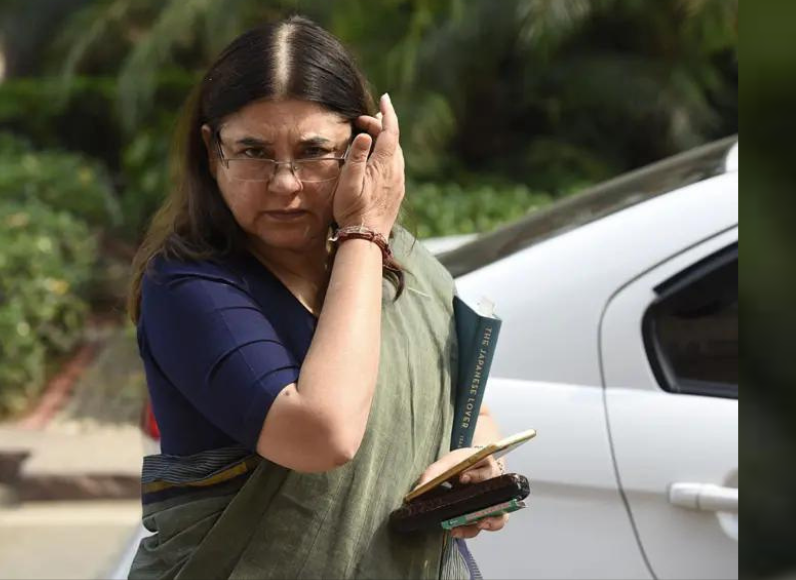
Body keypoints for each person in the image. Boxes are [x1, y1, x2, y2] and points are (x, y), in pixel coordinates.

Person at [125, 15, 509, 579]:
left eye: (313, 152)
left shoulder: (405, 265)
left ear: (362, 148)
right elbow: (322, 435)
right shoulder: (188, 287)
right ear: (211, 152)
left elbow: (466, 412)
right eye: (253, 151)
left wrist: (477, 468)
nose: (284, 183)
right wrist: (364, 233)